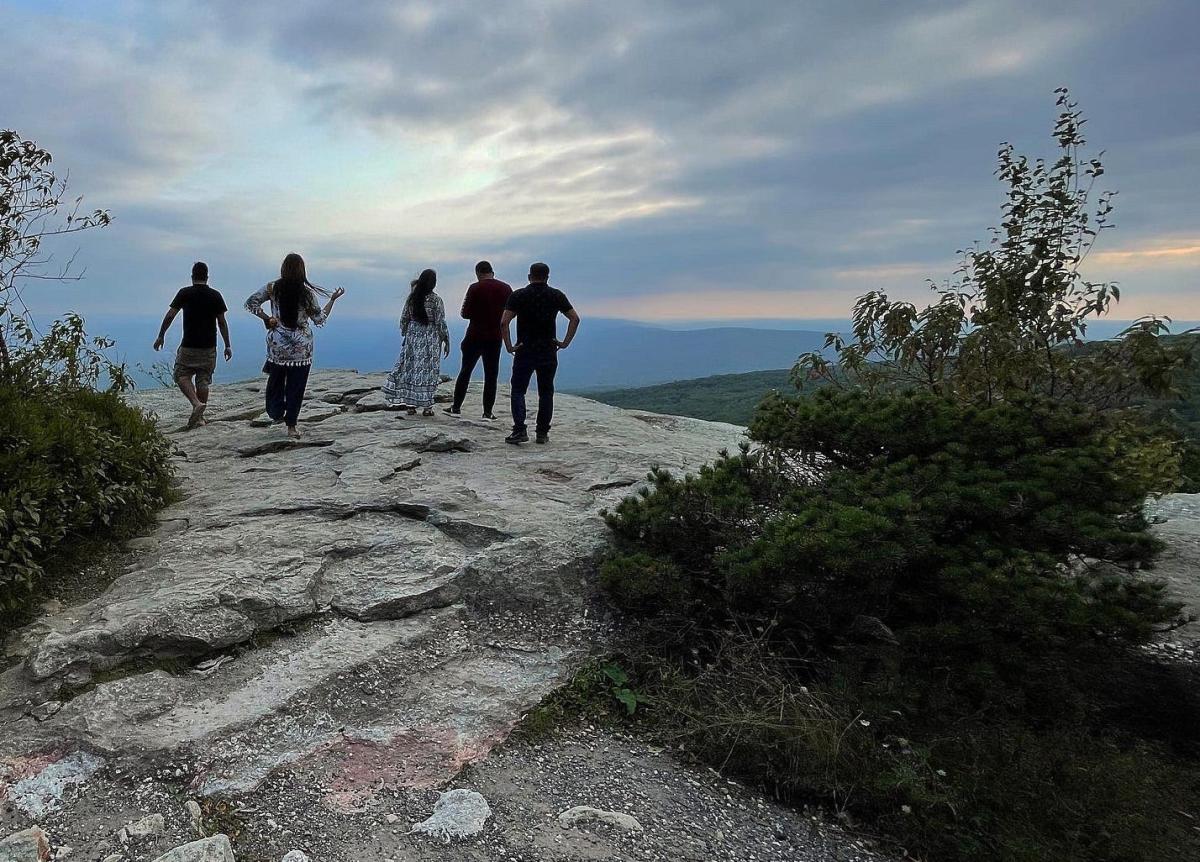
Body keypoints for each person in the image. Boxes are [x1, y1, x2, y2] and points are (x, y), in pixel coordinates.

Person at [244, 253, 345, 438]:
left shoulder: (272, 287)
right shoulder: (306, 293)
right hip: (302, 349)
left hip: (278, 347)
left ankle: (276, 412)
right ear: (302, 270)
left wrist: (267, 318)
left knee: (275, 383)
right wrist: (332, 300)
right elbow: (319, 318)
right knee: (296, 388)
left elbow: (251, 303)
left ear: (283, 268)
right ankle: (291, 427)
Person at [501, 261, 580, 445]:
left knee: (518, 390)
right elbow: (574, 318)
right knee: (546, 391)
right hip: (548, 350)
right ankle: (542, 433)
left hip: (524, 349)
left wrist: (509, 345)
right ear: (547, 277)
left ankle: (520, 430)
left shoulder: (519, 295)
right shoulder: (556, 295)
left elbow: (504, 322)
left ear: (529, 276)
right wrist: (564, 342)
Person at [153, 261, 232, 429]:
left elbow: (170, 316)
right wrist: (227, 345)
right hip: (209, 346)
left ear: (192, 276)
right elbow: (222, 323)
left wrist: (161, 335)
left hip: (189, 344)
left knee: (181, 374)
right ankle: (200, 418)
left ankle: (196, 404)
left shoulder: (185, 293)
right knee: (203, 379)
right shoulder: (215, 295)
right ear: (207, 276)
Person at [445, 260, 512, 420]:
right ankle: (487, 412)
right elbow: (511, 312)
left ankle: (456, 407)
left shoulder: (475, 287)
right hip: (495, 337)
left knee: (465, 371)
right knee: (491, 375)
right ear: (492, 272)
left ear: (478, 273)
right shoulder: (506, 288)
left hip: (474, 335)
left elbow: (465, 313)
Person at [383, 269, 450, 416]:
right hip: (430, 338)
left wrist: (407, 335)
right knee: (429, 371)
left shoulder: (412, 298)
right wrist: (446, 339)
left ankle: (410, 405)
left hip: (413, 337)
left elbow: (404, 319)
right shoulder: (436, 300)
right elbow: (440, 322)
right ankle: (427, 408)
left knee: (411, 370)